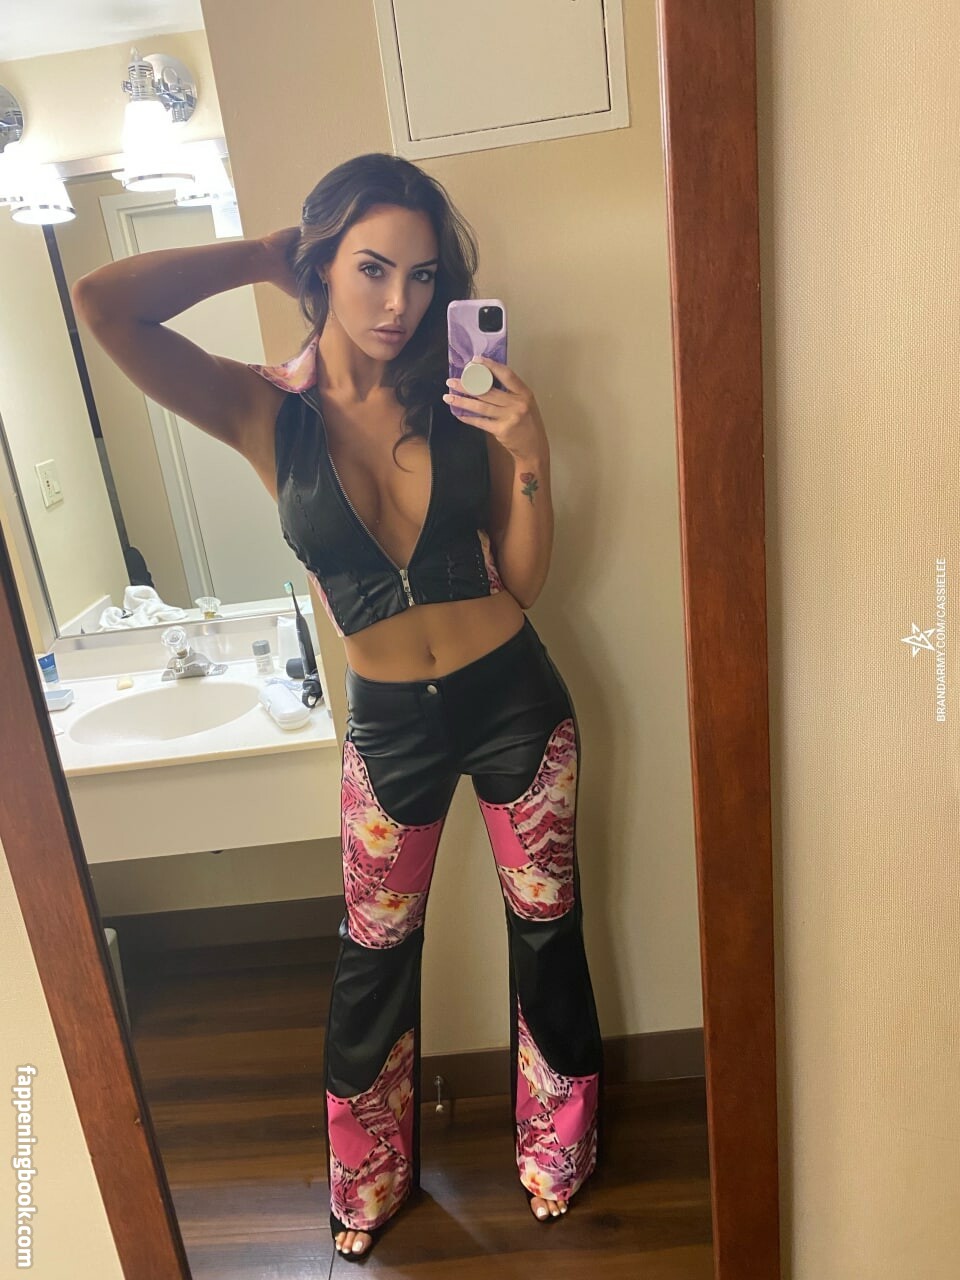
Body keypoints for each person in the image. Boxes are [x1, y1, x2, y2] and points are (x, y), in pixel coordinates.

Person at [72, 152, 604, 1260]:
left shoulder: (461, 392)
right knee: (374, 953)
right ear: (321, 264)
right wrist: (261, 255)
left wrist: (532, 454)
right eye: (371, 268)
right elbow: (105, 304)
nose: (399, 302)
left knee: (547, 930)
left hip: (515, 698)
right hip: (391, 725)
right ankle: (368, 1178)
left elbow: (521, 580)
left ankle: (558, 1149)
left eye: (422, 275)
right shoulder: (263, 410)